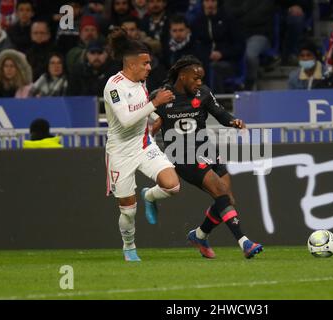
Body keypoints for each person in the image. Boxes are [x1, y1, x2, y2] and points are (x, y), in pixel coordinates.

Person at [151, 55, 263, 259]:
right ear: (183, 76)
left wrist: (234, 122)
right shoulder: (162, 96)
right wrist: (151, 128)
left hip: (206, 149)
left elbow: (220, 114)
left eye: (201, 78)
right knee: (220, 190)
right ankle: (244, 242)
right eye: (196, 78)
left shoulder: (203, 93)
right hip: (181, 155)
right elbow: (147, 120)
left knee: (226, 198)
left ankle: (200, 235)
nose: (199, 82)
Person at [104, 28, 180, 262]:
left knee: (172, 186)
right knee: (128, 211)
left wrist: (156, 119)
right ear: (132, 64)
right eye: (145, 63)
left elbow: (142, 112)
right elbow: (126, 120)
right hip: (120, 153)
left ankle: (150, 196)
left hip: (143, 145)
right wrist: (155, 102)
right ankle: (129, 246)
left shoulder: (140, 83)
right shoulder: (113, 86)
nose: (149, 67)